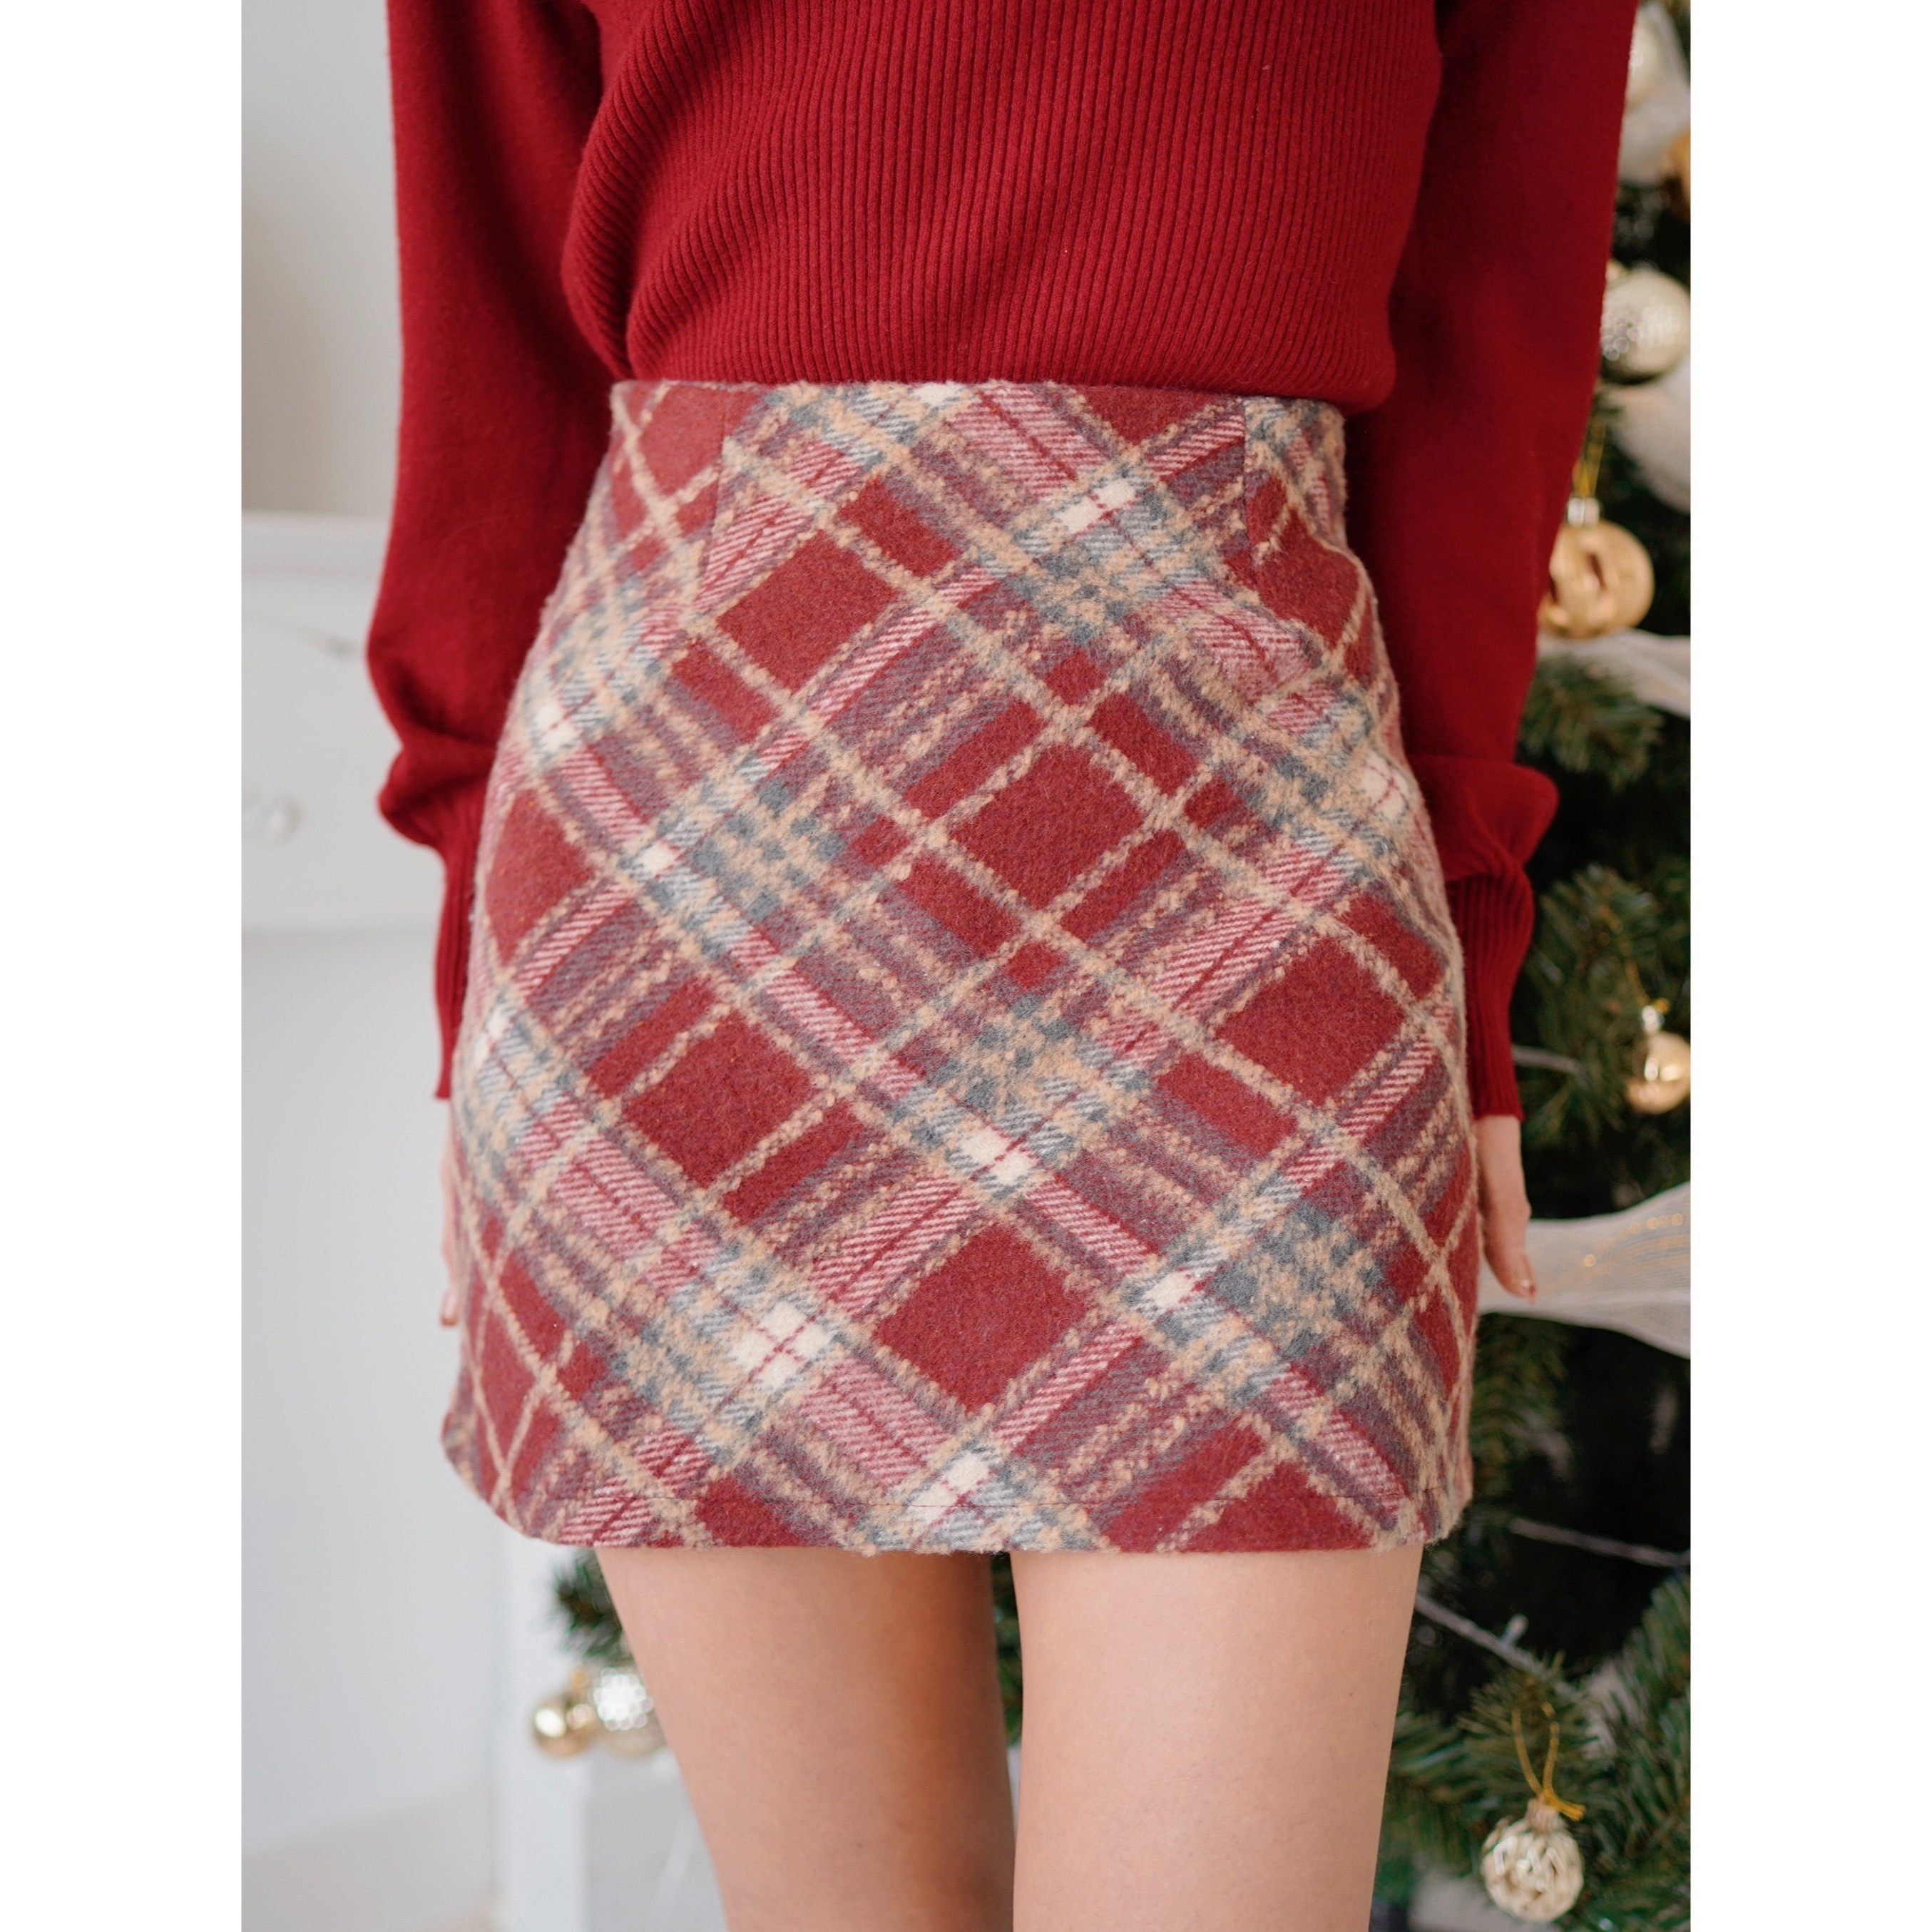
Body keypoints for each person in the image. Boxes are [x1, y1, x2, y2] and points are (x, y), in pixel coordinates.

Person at [368, 4, 1637, 1925]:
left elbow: (1491, 324)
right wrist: (480, 1011)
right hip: (676, 892)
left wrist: (1466, 935)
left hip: (1254, 873)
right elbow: (494, 352)